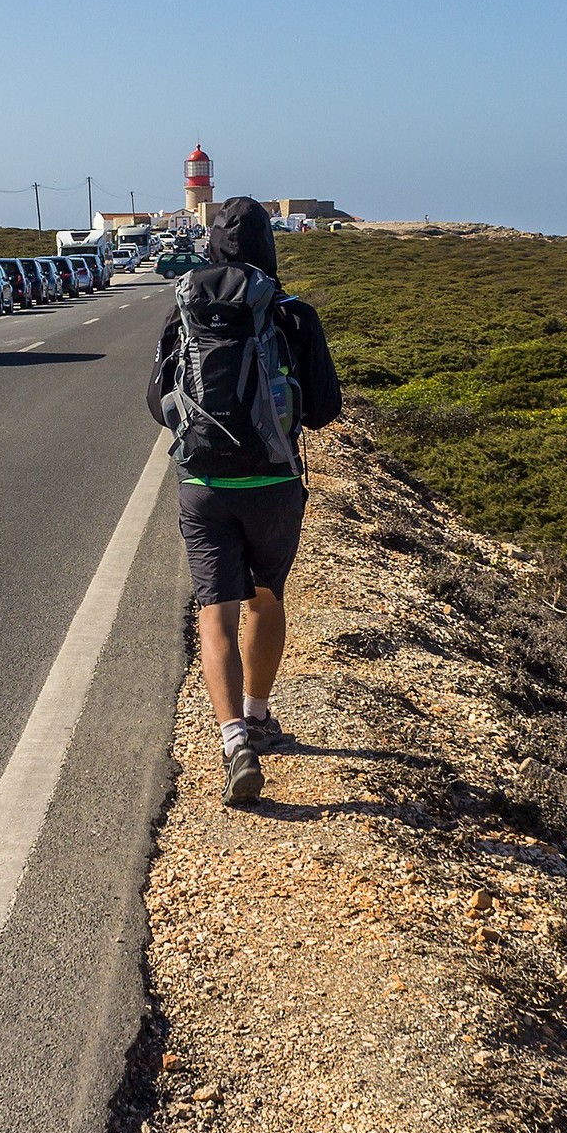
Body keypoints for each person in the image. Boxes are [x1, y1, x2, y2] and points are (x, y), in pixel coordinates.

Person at [147, 196, 341, 805]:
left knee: (216, 612)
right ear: (267, 244)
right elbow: (328, 407)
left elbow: (157, 401)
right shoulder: (293, 314)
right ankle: (259, 715)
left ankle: (234, 742)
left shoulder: (185, 311)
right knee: (265, 597)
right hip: (276, 485)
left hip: (203, 486)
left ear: (212, 243)